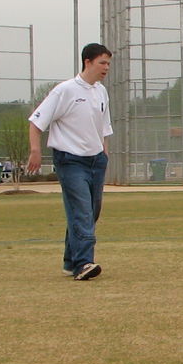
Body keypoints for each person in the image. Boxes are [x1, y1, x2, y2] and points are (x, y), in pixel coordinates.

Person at [27, 42, 113, 281]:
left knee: (90, 212)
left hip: (96, 160)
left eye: (108, 63)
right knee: (82, 212)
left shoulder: (101, 91)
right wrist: (35, 150)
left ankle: (70, 260)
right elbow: (36, 123)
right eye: (102, 63)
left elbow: (104, 126)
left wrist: (104, 151)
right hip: (70, 160)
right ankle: (84, 263)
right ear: (88, 62)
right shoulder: (64, 90)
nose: (106, 68)